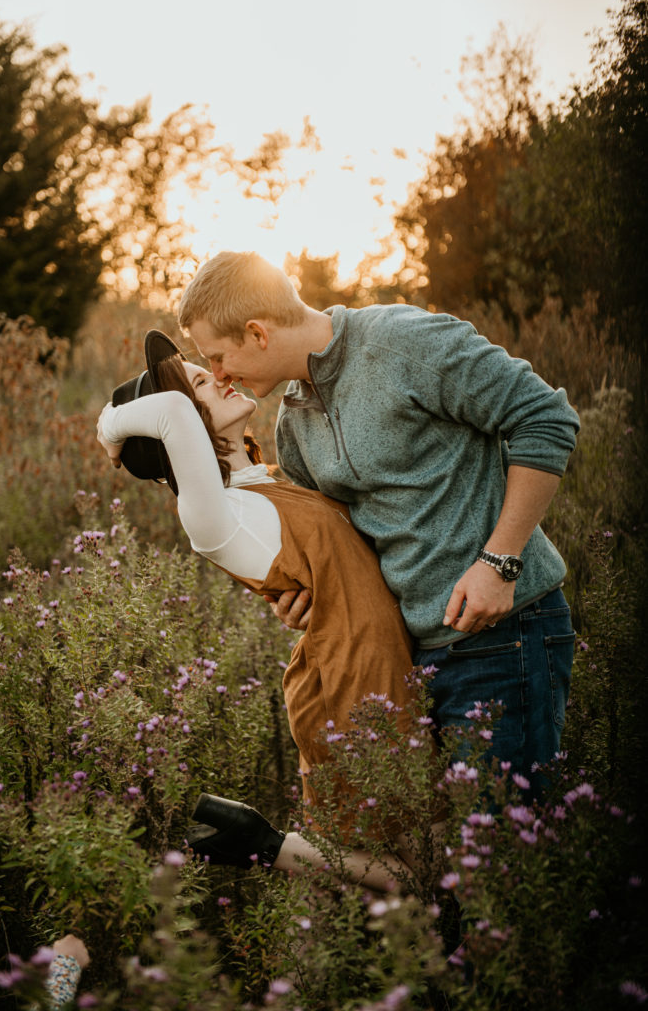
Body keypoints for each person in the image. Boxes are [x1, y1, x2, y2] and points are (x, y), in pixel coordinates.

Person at [177, 251, 581, 797]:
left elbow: (545, 417)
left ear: (256, 332)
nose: (221, 376)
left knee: (509, 853)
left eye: (219, 358)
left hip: (504, 638)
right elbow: (347, 544)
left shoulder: (404, 342)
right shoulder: (293, 425)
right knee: (438, 858)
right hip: (408, 660)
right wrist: (305, 598)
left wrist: (500, 561)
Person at [97, 331, 438, 891]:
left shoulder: (263, 480)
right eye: (201, 382)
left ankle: (267, 845)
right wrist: (110, 426)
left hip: (378, 661)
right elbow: (175, 413)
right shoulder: (210, 516)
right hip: (353, 684)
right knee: (417, 869)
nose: (219, 377)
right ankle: (269, 846)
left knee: (425, 864)